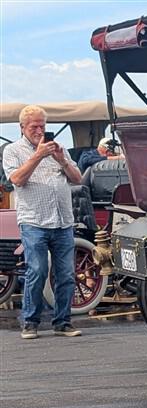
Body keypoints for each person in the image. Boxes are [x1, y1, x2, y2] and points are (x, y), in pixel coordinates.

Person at [2, 105, 83, 339]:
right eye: (34, 126)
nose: (39, 130)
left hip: (63, 220)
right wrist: (38, 155)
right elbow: (16, 179)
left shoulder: (59, 149)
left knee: (67, 274)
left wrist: (62, 160)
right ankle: (30, 322)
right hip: (34, 221)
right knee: (37, 270)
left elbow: (77, 179)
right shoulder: (13, 151)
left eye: (42, 126)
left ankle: (63, 322)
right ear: (22, 128)